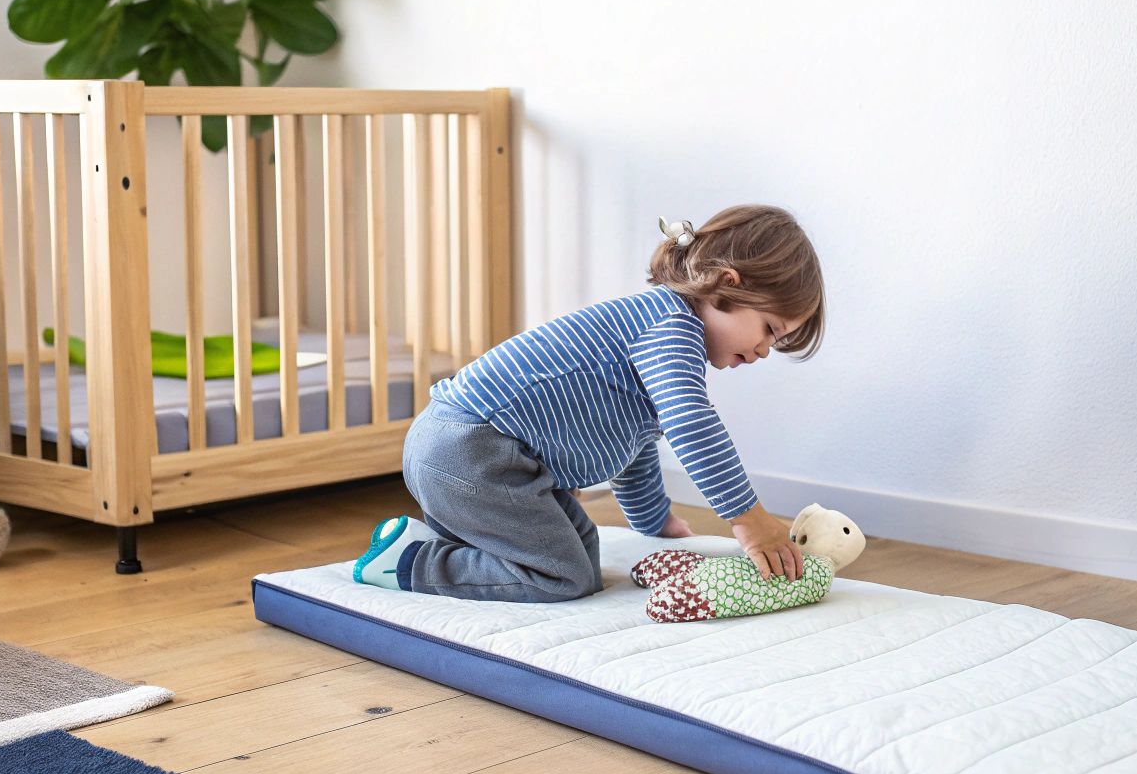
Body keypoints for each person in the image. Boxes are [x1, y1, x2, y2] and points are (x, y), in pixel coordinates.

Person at [351, 204, 827, 603]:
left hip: (481, 458)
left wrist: (654, 521)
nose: (764, 351)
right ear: (727, 284)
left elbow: (635, 444)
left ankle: (453, 541)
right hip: (473, 454)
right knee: (565, 576)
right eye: (769, 330)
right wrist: (750, 520)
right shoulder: (671, 327)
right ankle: (409, 562)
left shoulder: (658, 332)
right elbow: (690, 424)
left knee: (582, 547)